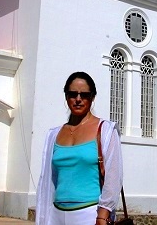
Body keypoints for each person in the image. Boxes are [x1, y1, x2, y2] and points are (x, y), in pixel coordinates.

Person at [36, 72, 123, 224]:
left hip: (89, 213)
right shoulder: (54, 134)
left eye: (84, 95)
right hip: (56, 215)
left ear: (92, 97)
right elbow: (50, 179)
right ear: (66, 96)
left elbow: (113, 177)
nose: (78, 99)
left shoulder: (106, 130)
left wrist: (103, 215)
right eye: (72, 94)